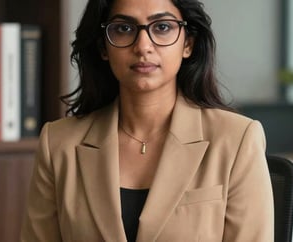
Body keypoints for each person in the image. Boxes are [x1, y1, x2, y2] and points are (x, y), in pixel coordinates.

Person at [21, 0, 274, 241]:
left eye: (162, 27)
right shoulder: (58, 143)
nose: (143, 46)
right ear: (103, 47)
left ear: (188, 43)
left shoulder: (237, 139)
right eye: (123, 28)